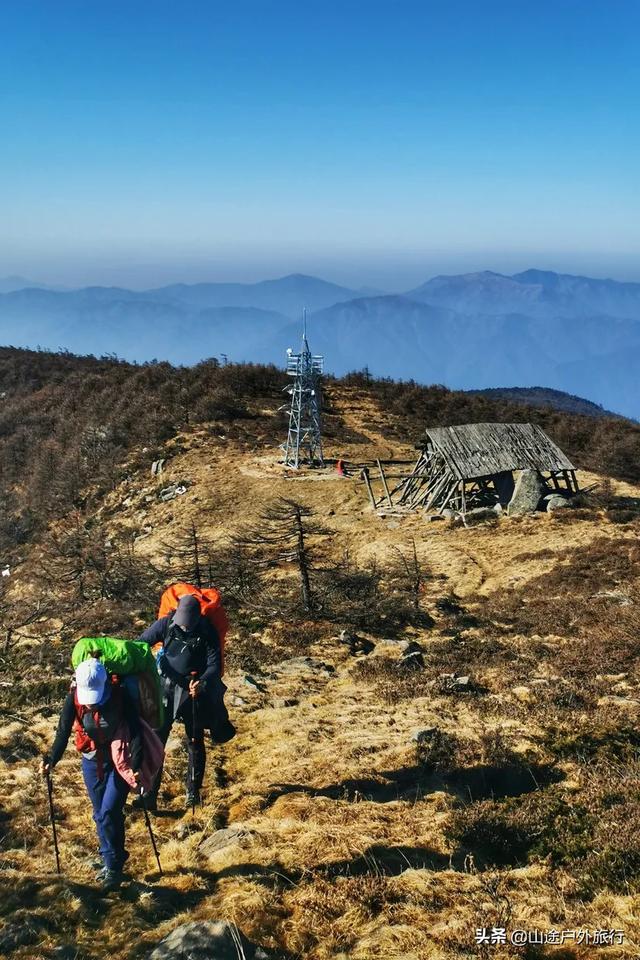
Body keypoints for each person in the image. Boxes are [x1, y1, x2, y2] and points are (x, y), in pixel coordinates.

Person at [40, 657, 143, 891]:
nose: (92, 704)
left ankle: (113, 867)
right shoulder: (73, 698)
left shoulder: (120, 695)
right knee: (101, 814)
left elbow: (136, 730)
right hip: (90, 762)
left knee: (108, 812)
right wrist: (51, 760)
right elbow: (62, 731)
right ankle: (112, 858)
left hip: (120, 762)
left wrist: (136, 764)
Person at [138, 594, 235, 810]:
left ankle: (193, 792)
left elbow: (214, 665)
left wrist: (202, 681)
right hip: (165, 688)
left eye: (188, 622)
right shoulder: (165, 624)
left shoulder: (207, 630)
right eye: (181, 621)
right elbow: (141, 643)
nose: (184, 625)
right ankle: (149, 795)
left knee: (194, 741)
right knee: (156, 742)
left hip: (193, 693)